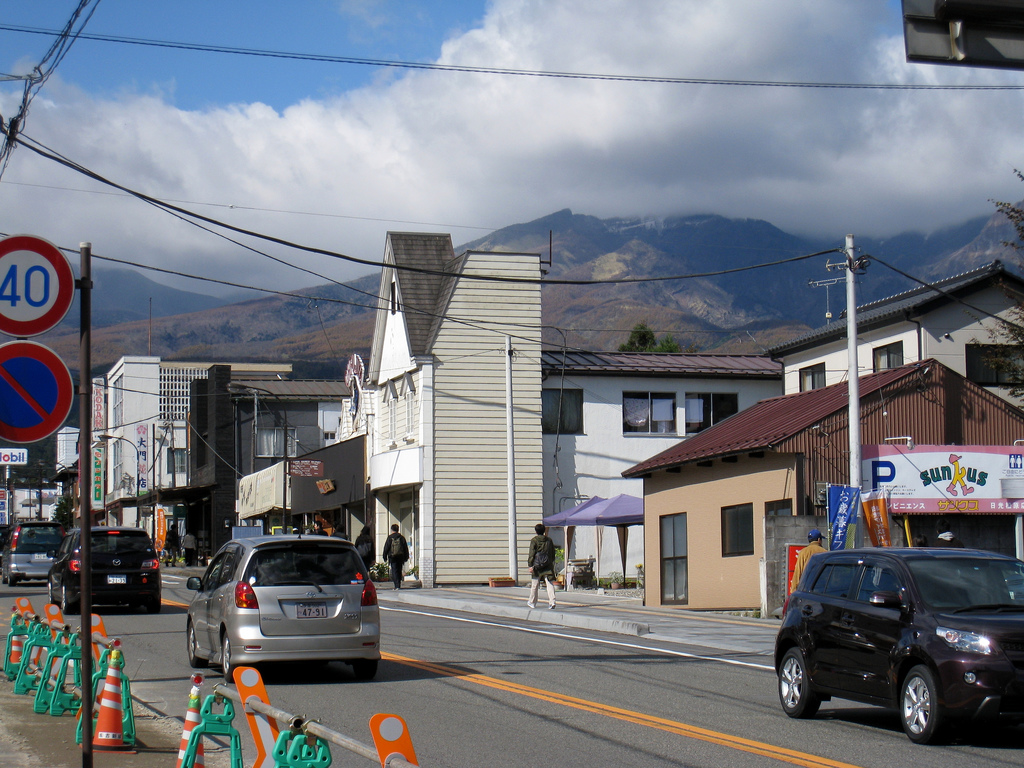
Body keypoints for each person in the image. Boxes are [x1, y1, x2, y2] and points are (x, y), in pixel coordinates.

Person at [527, 523, 557, 610]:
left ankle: (532, 602)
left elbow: (532, 553)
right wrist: (551, 563)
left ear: (536, 531)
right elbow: (552, 553)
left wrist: (530, 565)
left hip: (537, 565)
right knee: (549, 584)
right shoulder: (549, 540)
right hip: (547, 565)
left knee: (535, 585)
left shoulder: (534, 540)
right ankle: (552, 602)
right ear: (544, 531)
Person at [790, 528, 827, 593]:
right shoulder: (825, 552)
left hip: (806, 588)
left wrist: (793, 590)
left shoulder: (803, 552)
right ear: (819, 540)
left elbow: (798, 572)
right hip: (822, 590)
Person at [382, 524, 409, 589]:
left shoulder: (390, 538)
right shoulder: (401, 537)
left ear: (392, 530)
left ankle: (396, 585)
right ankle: (398, 584)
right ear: (398, 529)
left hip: (392, 556)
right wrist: (406, 556)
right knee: (399, 570)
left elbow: (386, 547)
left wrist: (384, 556)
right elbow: (405, 547)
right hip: (400, 556)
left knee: (394, 570)